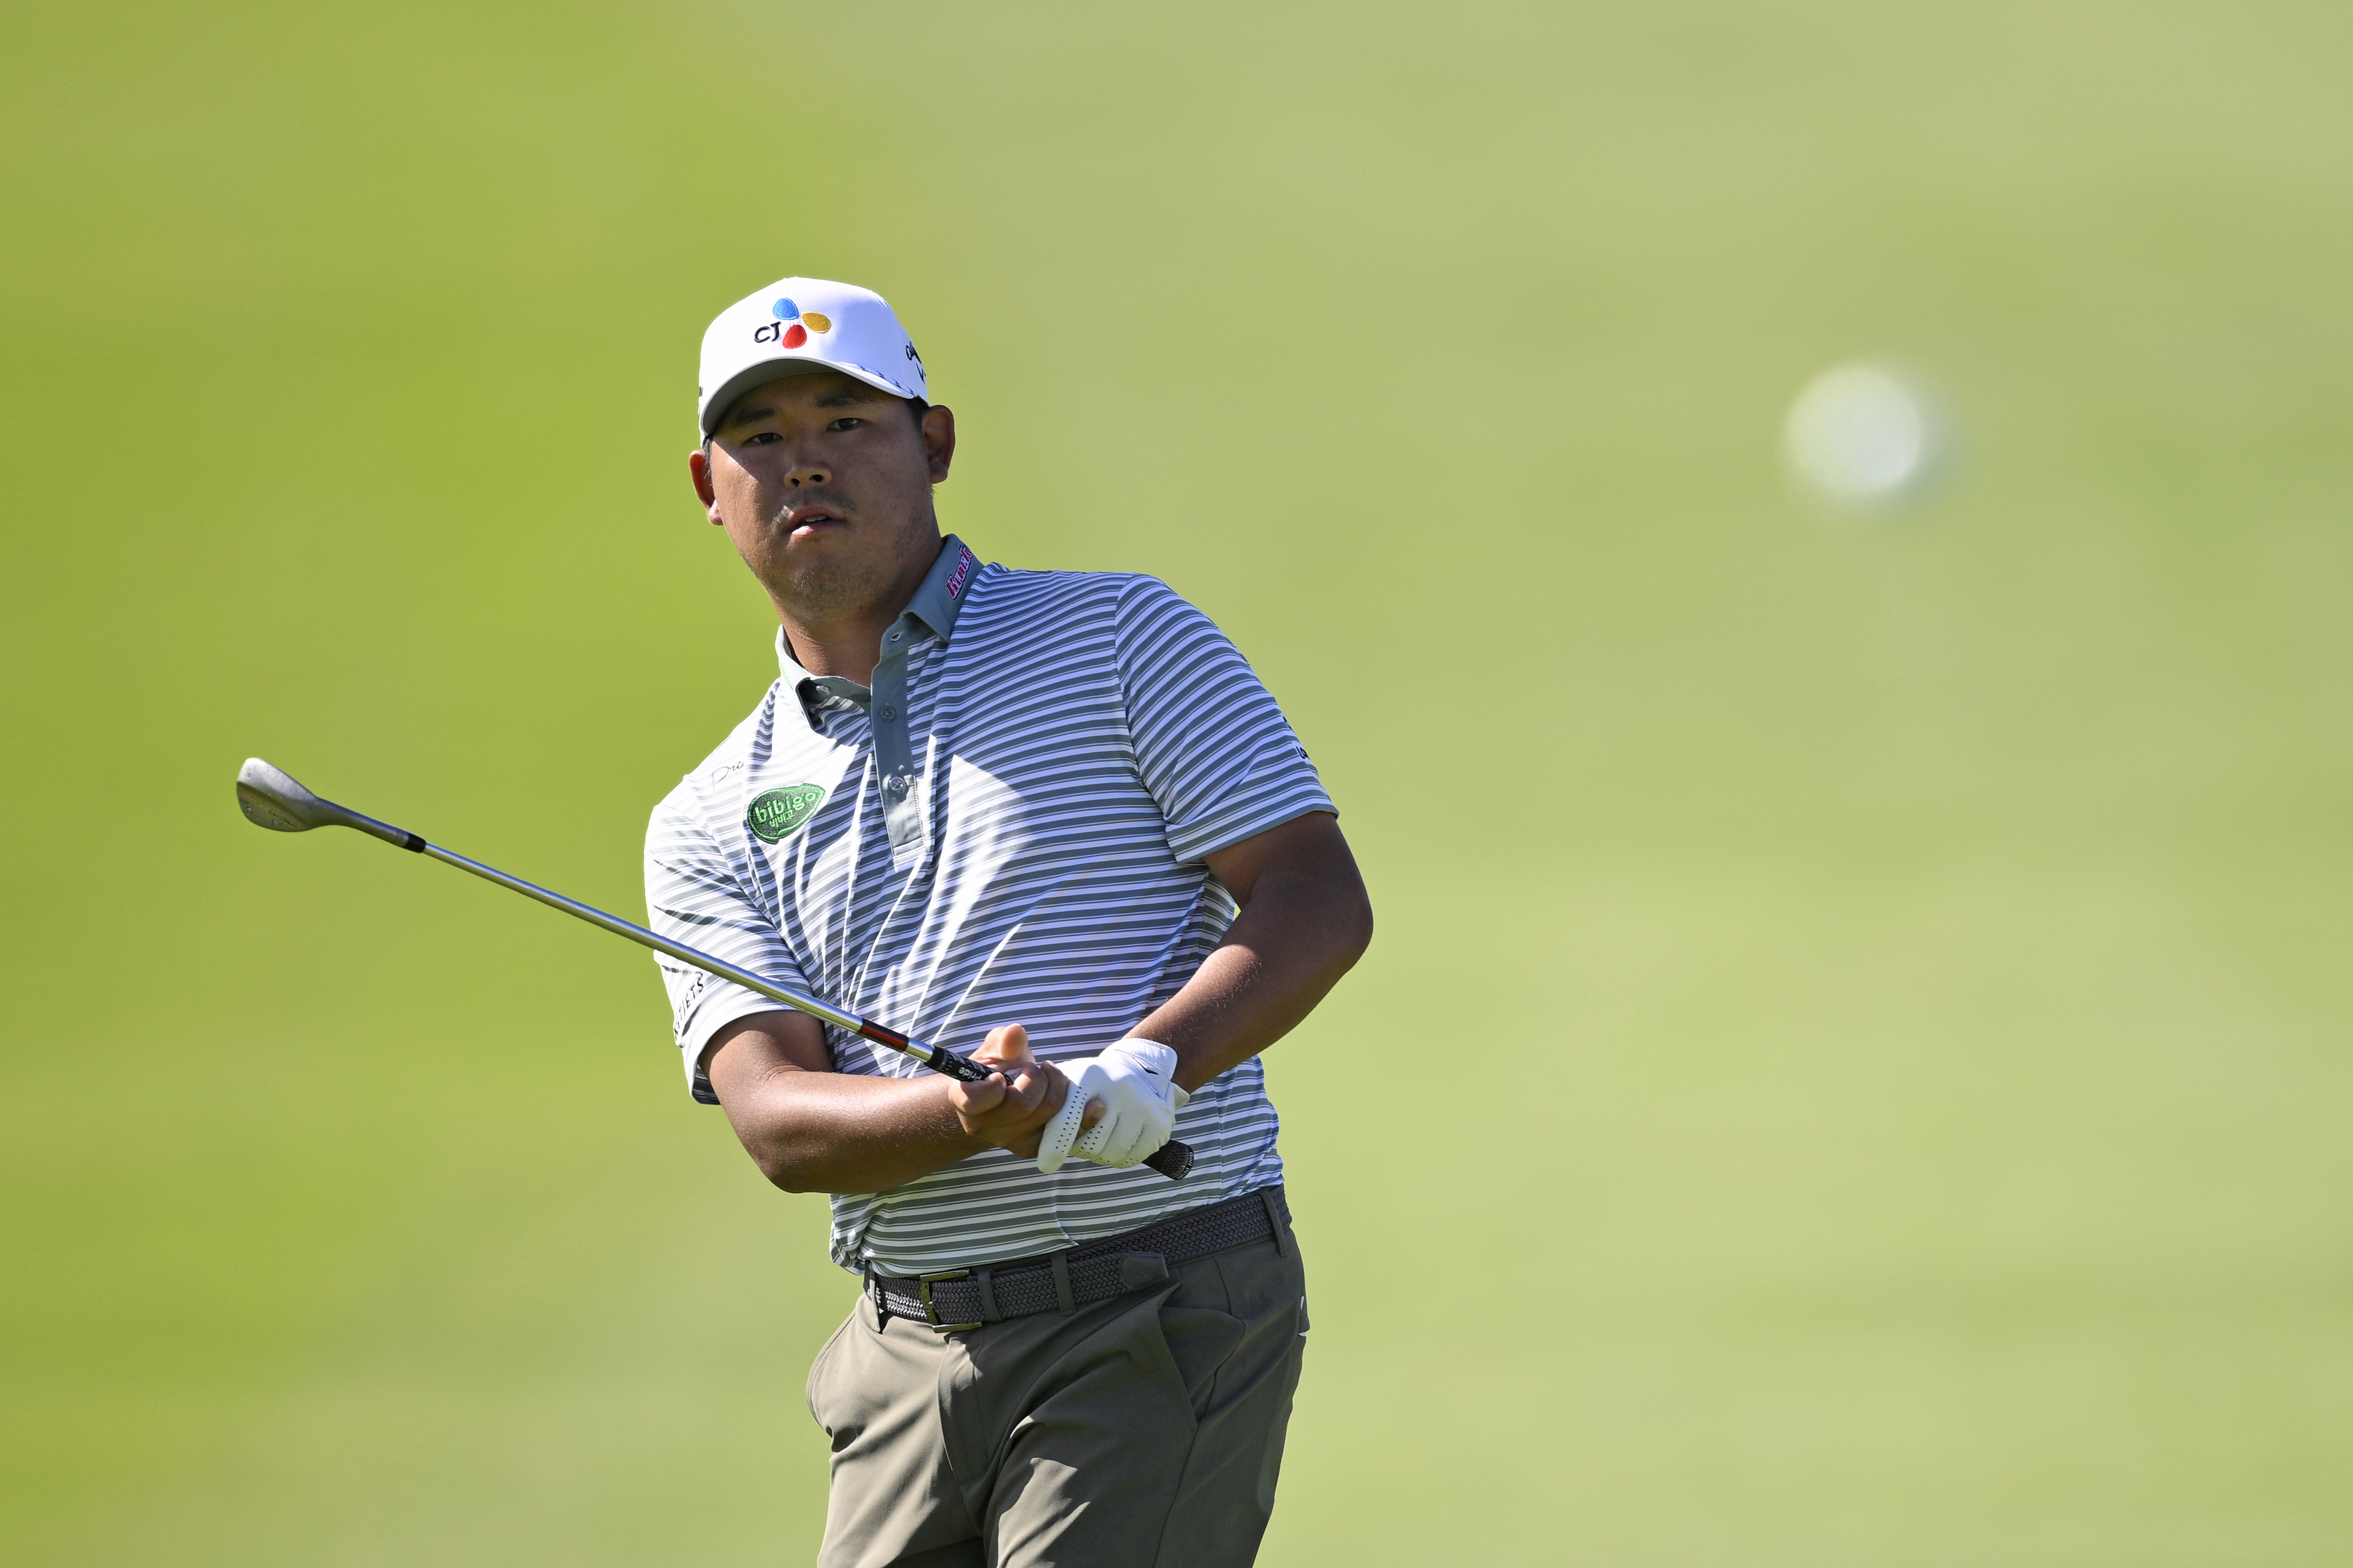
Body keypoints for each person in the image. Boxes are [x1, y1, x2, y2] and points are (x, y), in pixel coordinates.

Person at [645, 276, 1373, 1568]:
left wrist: (1145, 1067)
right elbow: (780, 1124)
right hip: (904, 1354)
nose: (803, 463)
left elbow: (1313, 892)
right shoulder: (707, 817)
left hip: (1155, 1296)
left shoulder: (1119, 638)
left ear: (933, 444)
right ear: (709, 485)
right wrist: (972, 1113)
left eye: (848, 423)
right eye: (761, 439)